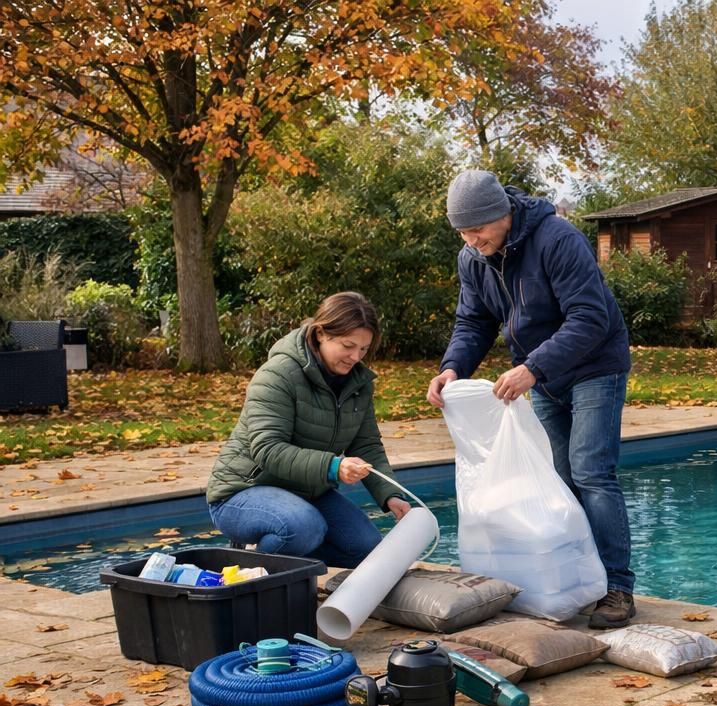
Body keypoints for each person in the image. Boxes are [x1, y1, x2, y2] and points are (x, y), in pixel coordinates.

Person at [427, 169, 635, 629]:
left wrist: (532, 368)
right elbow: (473, 322)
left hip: (595, 365)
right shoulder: (473, 258)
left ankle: (617, 588)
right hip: (542, 375)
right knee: (557, 477)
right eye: (461, 231)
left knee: (591, 471)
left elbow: (589, 317)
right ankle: (581, 579)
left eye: (476, 228)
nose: (470, 239)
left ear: (501, 214)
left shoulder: (557, 239)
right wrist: (452, 368)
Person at [206, 292, 410, 567]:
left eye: (363, 349)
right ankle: (247, 575)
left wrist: (390, 495)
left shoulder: (358, 383)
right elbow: (268, 449)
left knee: (366, 549)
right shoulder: (278, 374)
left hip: (306, 493)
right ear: (320, 334)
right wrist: (333, 466)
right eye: (348, 345)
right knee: (303, 527)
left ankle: (292, 569)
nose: (355, 357)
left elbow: (366, 445)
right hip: (243, 491)